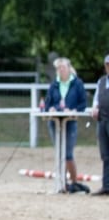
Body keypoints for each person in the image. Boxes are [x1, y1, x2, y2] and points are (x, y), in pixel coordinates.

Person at [44, 57, 88, 193]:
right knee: (59, 152)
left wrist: (74, 110)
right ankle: (61, 182)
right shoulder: (54, 85)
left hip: (70, 121)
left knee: (68, 154)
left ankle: (74, 182)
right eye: (59, 68)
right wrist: (52, 108)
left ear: (69, 68)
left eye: (63, 67)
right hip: (55, 121)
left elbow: (83, 103)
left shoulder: (77, 83)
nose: (61, 70)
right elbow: (47, 103)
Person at [90, 55, 109, 195]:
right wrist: (95, 107)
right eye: (107, 65)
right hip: (102, 120)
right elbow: (96, 99)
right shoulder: (101, 82)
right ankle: (106, 185)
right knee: (105, 155)